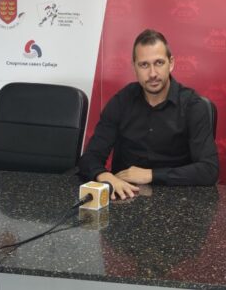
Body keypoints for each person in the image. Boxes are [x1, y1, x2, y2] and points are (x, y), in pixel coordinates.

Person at [78, 29, 218, 199]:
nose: (152, 74)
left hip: (178, 199)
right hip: (125, 198)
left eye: (159, 63)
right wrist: (105, 176)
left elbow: (209, 170)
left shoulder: (193, 106)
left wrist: (151, 175)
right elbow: (90, 157)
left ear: (171, 63)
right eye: (144, 65)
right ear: (134, 68)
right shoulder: (122, 101)